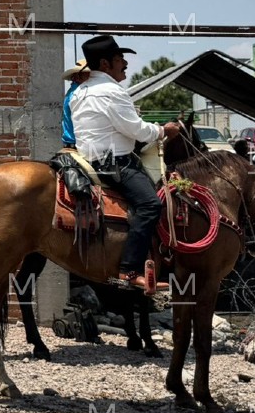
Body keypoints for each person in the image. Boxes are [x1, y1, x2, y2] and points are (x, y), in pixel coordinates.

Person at [71, 35, 180, 291]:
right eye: (121, 59)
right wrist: (163, 131)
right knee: (151, 204)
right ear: (106, 64)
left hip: (88, 160)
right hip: (115, 164)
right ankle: (129, 270)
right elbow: (137, 131)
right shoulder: (110, 91)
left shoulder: (81, 91)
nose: (126, 64)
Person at [61, 60, 90, 148]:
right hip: (78, 144)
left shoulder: (72, 92)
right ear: (77, 77)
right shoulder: (79, 94)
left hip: (71, 143)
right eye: (88, 75)